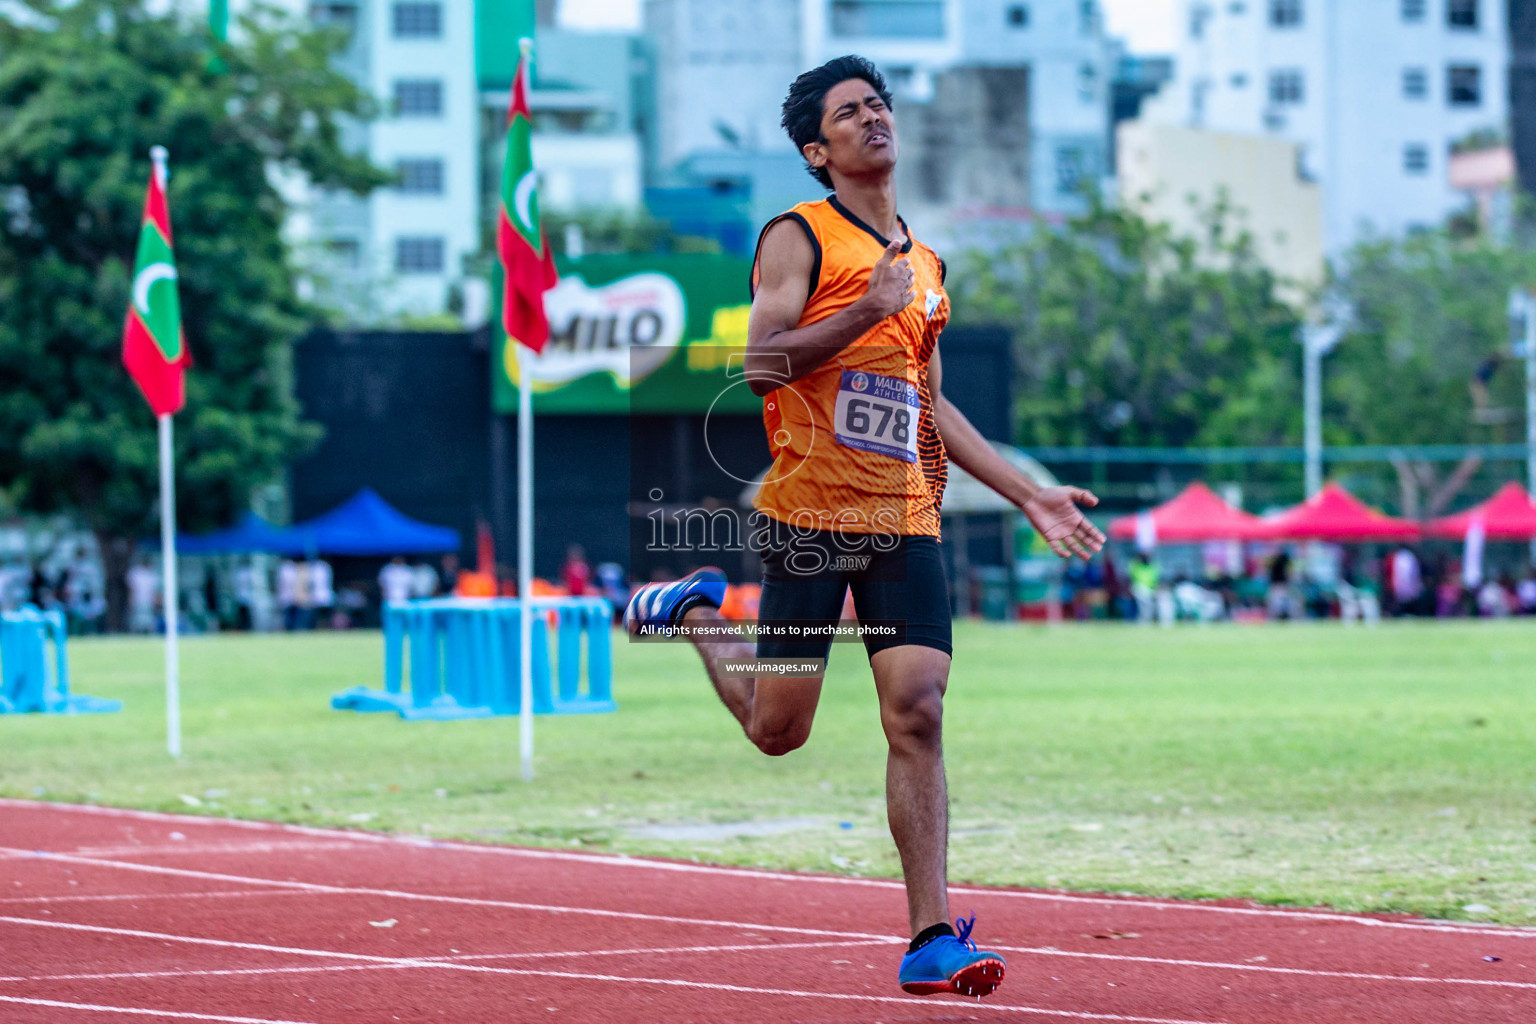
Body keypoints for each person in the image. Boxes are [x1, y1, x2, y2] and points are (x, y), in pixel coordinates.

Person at [623, 56, 1103, 1001]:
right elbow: (759, 365)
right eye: (851, 112)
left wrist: (1026, 494)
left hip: (905, 517)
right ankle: (690, 614)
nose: (874, 118)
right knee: (778, 731)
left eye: (879, 104)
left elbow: (931, 403)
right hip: (810, 517)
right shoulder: (798, 237)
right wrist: (864, 311)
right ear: (818, 149)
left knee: (917, 710)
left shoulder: (926, 265)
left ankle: (931, 937)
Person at [126, 558, 158, 634]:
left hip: (148, 601)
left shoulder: (152, 573)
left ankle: (149, 633)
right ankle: (134, 634)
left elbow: (153, 590)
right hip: (137, 600)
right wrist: (131, 599)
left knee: (149, 620)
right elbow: (131, 588)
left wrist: (155, 600)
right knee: (136, 620)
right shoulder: (135, 572)